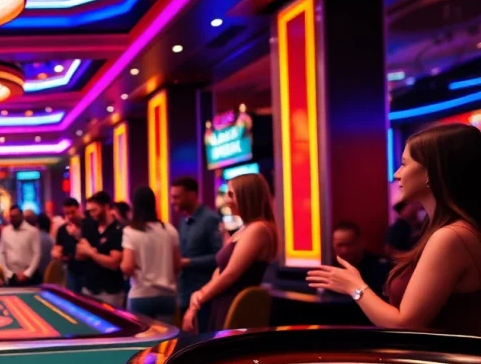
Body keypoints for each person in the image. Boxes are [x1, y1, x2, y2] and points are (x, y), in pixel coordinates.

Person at [308, 124, 481, 335]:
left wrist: (354, 286)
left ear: (431, 172)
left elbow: (404, 324)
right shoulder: (446, 230)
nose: (397, 174)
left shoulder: (452, 236)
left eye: (403, 164)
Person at [183, 174, 277, 332]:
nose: (226, 199)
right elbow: (220, 270)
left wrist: (199, 298)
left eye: (231, 194)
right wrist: (199, 295)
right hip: (224, 302)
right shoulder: (246, 228)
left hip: (236, 306)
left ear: (246, 196)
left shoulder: (258, 228)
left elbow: (230, 274)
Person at [121, 186, 180, 322]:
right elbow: (177, 265)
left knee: (143, 341)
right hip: (167, 296)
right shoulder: (169, 229)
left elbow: (127, 267)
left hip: (141, 295)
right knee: (166, 341)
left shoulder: (131, 231)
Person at [170, 176, 222, 331]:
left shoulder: (210, 219)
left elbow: (219, 258)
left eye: (176, 197)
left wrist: (189, 262)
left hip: (203, 295)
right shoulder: (184, 220)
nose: (173, 202)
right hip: (185, 293)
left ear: (191, 194)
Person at [76, 191, 125, 308]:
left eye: (95, 210)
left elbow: (113, 263)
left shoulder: (117, 230)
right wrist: (92, 253)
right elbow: (79, 254)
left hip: (110, 292)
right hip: (89, 288)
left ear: (106, 207)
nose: (92, 214)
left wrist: (91, 252)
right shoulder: (89, 226)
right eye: (89, 211)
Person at [330, 221, 390, 297]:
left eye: (350, 244)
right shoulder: (329, 268)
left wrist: (353, 293)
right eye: (340, 245)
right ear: (333, 245)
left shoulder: (379, 267)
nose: (345, 250)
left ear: (361, 242)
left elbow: (373, 296)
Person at [0, 205, 41, 287]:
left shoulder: (32, 231)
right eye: (11, 217)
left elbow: (37, 254)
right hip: (11, 275)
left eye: (15, 216)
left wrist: (27, 273)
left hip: (28, 275)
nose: (13, 219)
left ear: (22, 216)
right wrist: (7, 273)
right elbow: (2, 253)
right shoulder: (5, 231)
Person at [53, 198, 85, 293]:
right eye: (67, 214)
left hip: (88, 272)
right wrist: (57, 254)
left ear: (79, 209)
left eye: (73, 212)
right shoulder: (62, 229)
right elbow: (57, 247)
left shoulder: (88, 226)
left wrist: (78, 235)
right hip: (71, 270)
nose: (70, 216)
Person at [36, 213, 55, 283]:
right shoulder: (52, 239)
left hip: (38, 276)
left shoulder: (36, 238)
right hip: (50, 275)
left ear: (37, 224)